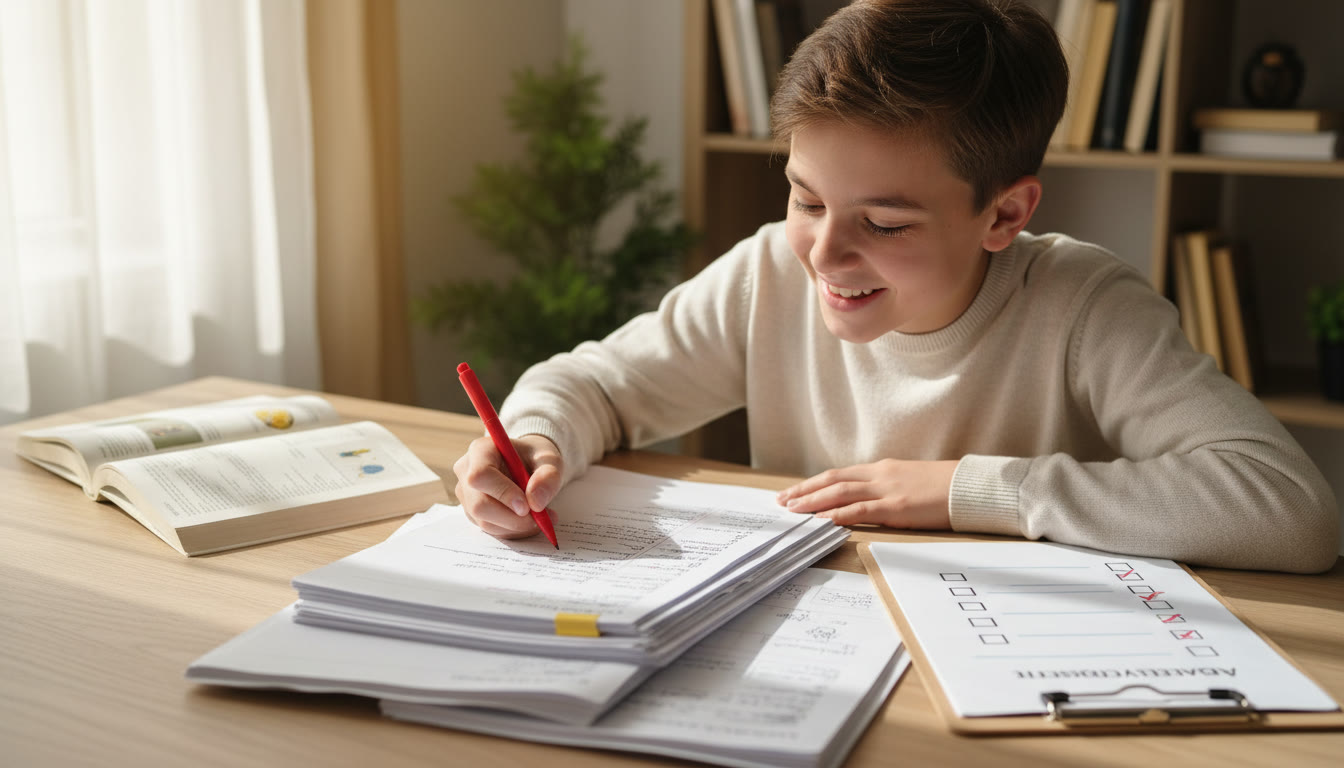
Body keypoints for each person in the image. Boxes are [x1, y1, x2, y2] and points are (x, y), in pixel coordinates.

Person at [453, 0, 1339, 573]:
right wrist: (537, 438)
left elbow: (1291, 512)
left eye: (883, 224)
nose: (825, 253)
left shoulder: (1083, 307)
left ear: (1004, 214)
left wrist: (968, 491)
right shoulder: (771, 272)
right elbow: (597, 384)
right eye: (806, 200)